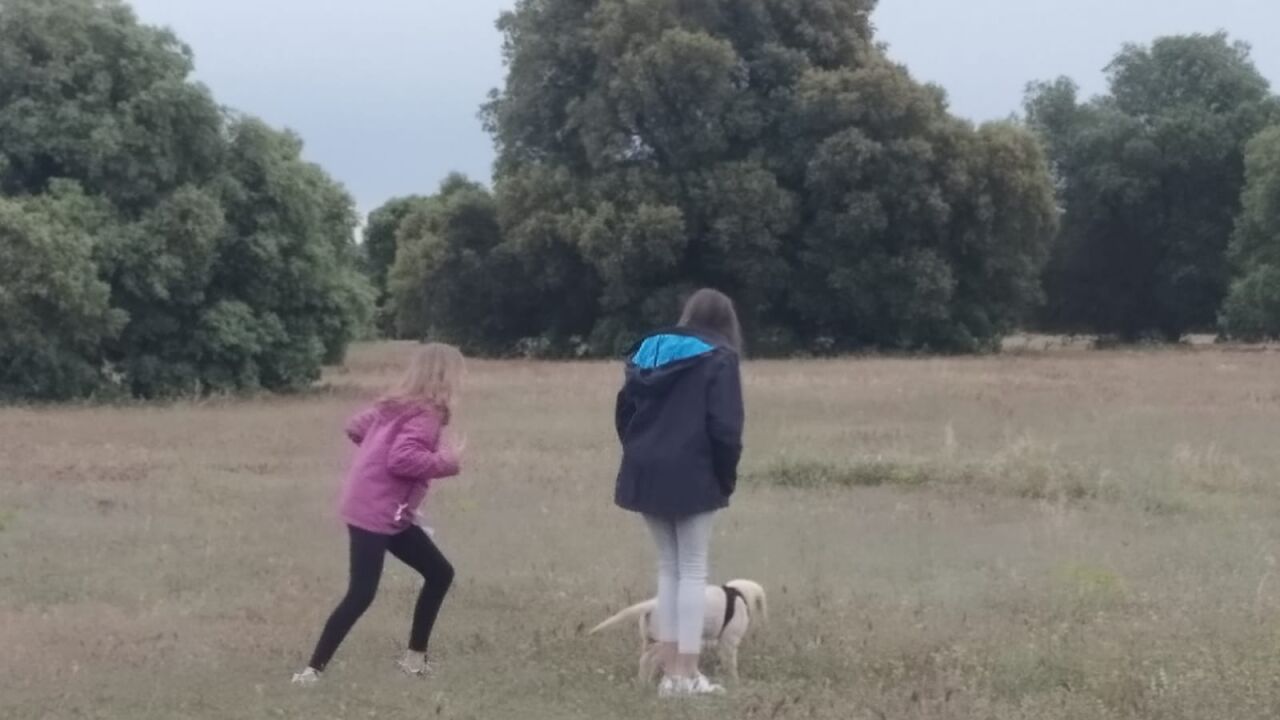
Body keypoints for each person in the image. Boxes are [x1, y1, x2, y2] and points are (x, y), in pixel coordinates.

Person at [292, 343, 466, 686]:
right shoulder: (426, 414)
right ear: (447, 376)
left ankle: (414, 660)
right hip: (374, 512)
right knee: (361, 593)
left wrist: (376, 456)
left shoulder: (397, 404)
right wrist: (447, 462)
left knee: (439, 573)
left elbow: (356, 427)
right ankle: (311, 672)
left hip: (385, 511)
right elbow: (402, 459)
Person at [613, 288, 746, 698]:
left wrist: (640, 454)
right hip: (693, 470)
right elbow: (725, 428)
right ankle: (686, 674)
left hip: (645, 468)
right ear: (726, 322)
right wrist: (725, 476)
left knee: (669, 568)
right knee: (692, 569)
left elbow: (624, 413)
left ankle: (671, 672)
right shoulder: (720, 357)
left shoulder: (647, 352)